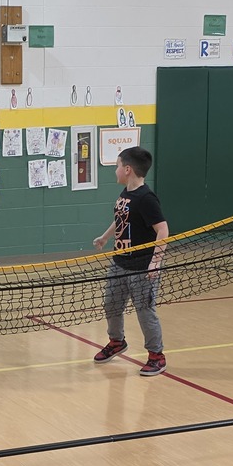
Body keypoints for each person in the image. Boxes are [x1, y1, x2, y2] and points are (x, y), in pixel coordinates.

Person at [92, 147, 168, 376]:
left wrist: (155, 262)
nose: (115, 171)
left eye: (117, 166)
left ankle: (157, 356)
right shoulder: (126, 193)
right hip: (119, 262)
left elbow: (163, 230)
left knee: (145, 311)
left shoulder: (146, 198)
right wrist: (105, 237)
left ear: (127, 169)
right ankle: (117, 342)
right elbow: (121, 219)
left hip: (142, 266)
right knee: (111, 305)